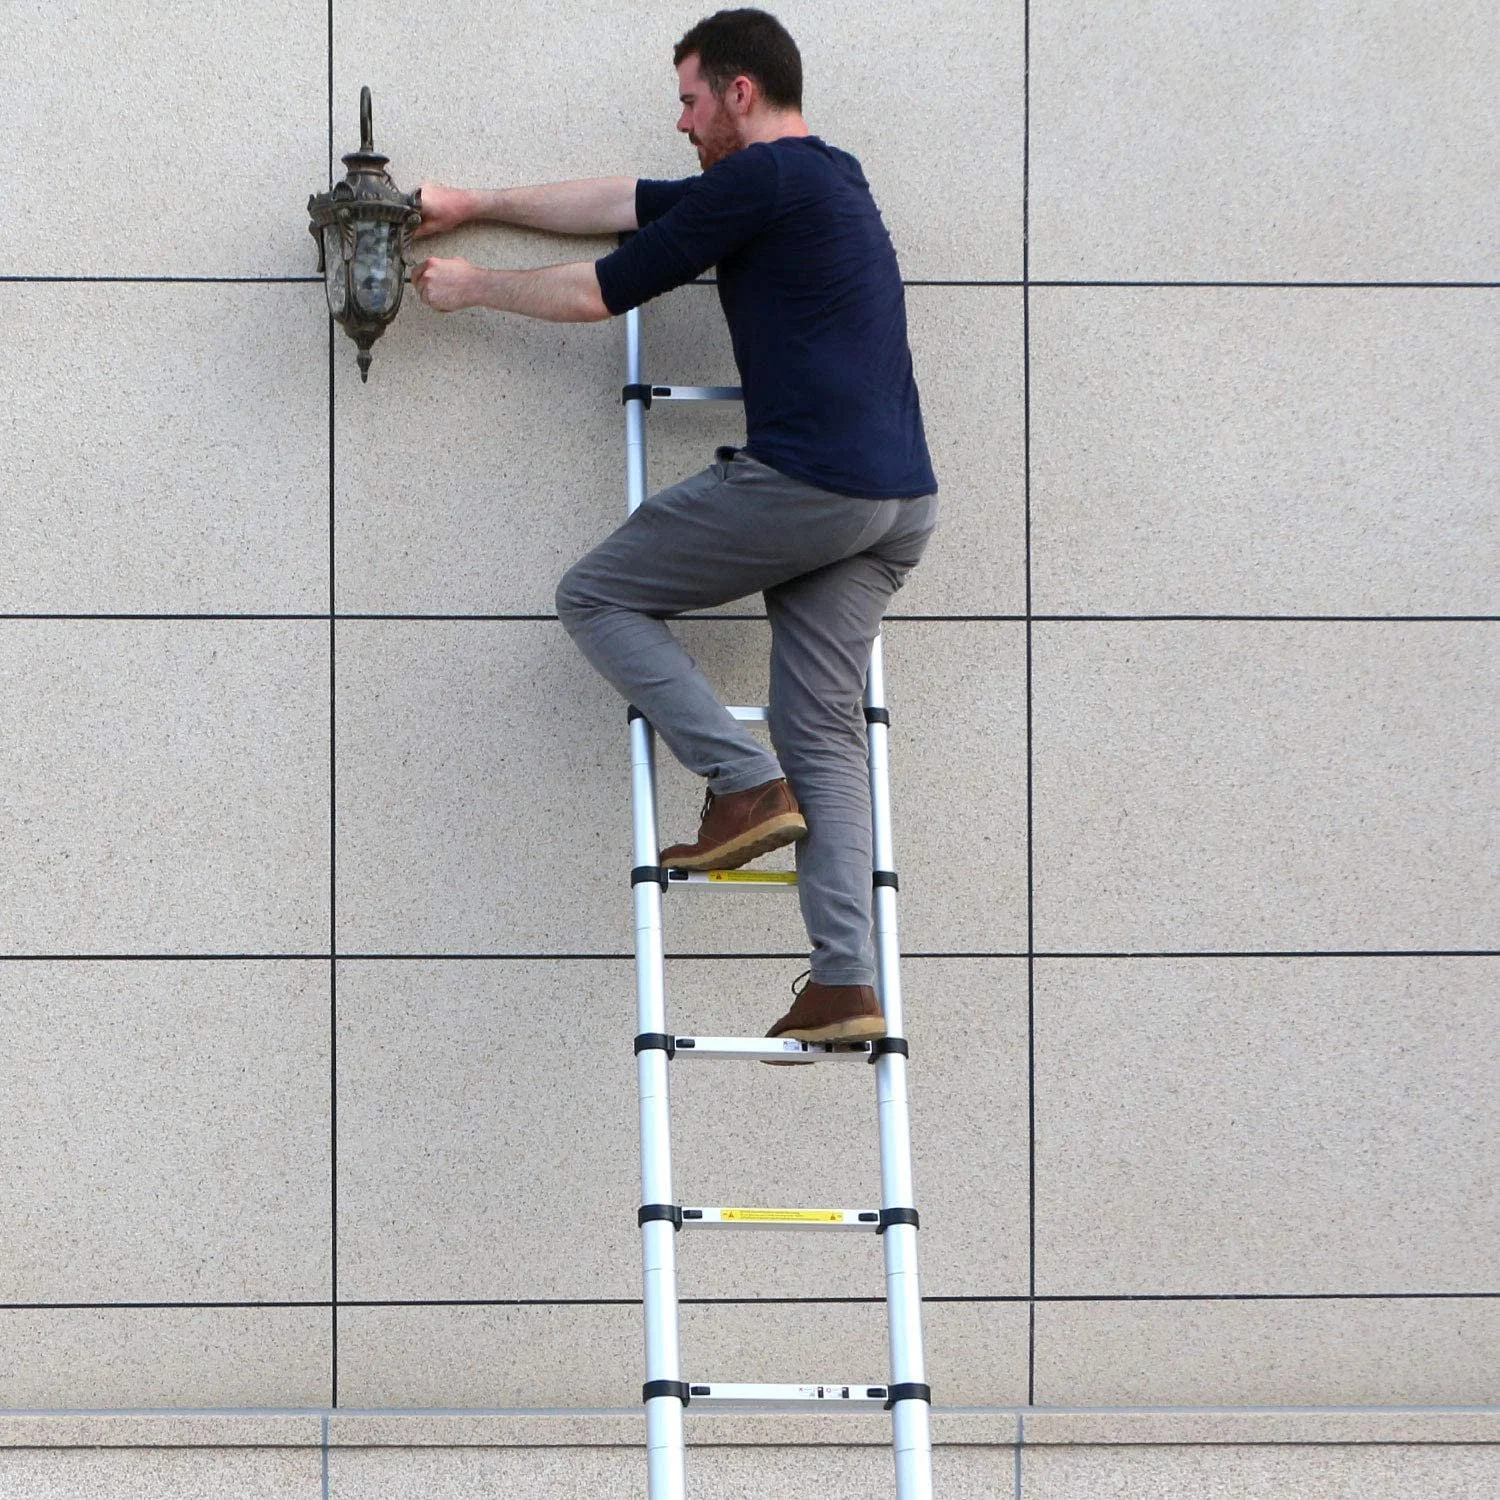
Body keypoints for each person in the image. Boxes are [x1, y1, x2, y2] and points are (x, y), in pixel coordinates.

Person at [412, 8, 937, 1044]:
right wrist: (475, 203)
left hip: (811, 483)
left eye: (693, 99)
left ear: (741, 91)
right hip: (897, 501)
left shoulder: (757, 180)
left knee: (596, 594)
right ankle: (844, 980)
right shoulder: (826, 174)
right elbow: (622, 202)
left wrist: (476, 287)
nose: (684, 121)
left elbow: (603, 289)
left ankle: (740, 784)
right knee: (825, 737)